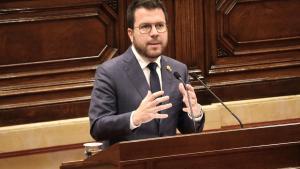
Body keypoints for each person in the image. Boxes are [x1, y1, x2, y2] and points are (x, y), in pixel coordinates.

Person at [89, 0, 205, 149]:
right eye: (145, 27)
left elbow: (189, 129)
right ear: (131, 34)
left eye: (160, 26)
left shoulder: (178, 70)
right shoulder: (109, 72)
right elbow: (98, 127)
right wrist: (134, 118)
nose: (155, 33)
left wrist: (194, 113)